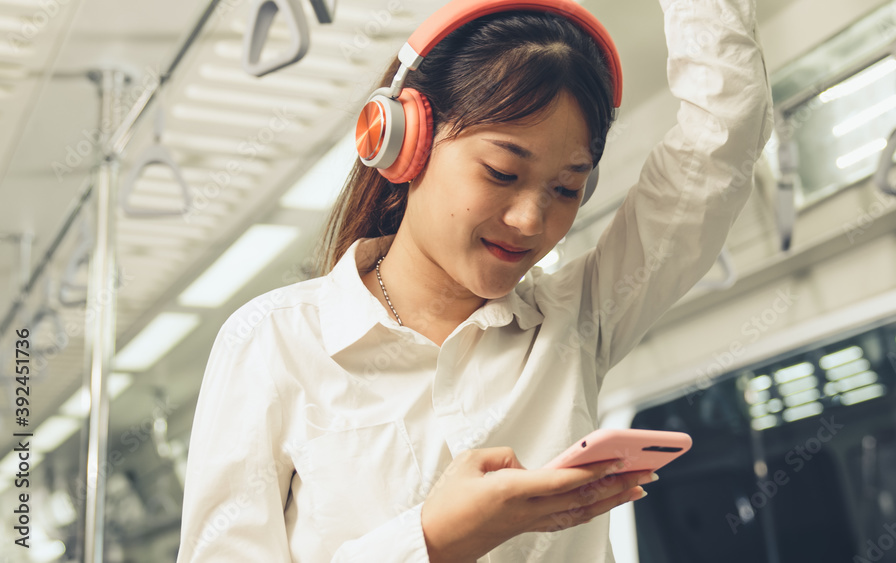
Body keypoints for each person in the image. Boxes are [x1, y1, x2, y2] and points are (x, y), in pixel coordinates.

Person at [176, 0, 772, 560]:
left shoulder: (578, 319)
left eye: (567, 189)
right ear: (404, 145)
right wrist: (432, 541)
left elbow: (724, 135)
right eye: (501, 171)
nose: (530, 220)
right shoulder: (275, 343)